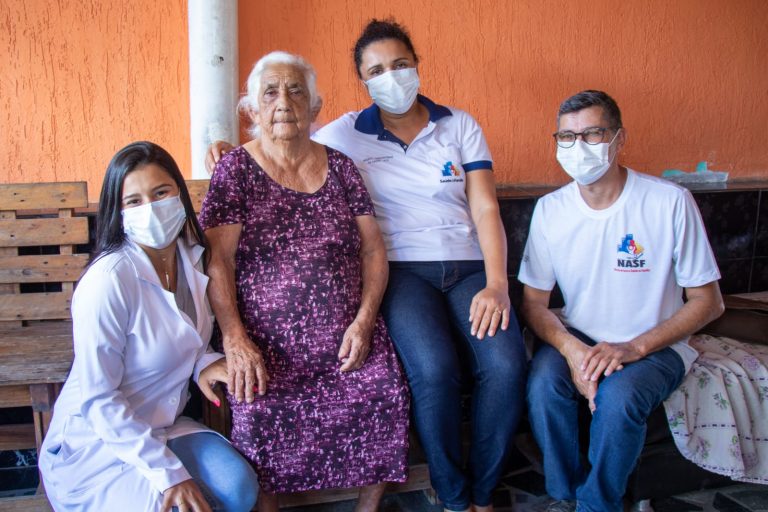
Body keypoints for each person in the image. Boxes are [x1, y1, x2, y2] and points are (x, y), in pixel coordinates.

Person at [207, 19, 527, 512]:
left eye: (400, 65)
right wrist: (224, 149)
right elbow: (277, 139)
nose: (284, 102)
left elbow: (478, 210)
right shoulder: (339, 135)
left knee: (505, 365)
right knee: (433, 369)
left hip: (460, 270)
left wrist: (498, 283)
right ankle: (452, 492)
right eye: (377, 70)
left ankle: (479, 495)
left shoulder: (444, 128)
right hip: (387, 283)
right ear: (363, 81)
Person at [199, 51, 410, 512]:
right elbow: (218, 260)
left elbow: (374, 249)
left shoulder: (341, 168)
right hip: (266, 340)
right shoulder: (235, 170)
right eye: (270, 92)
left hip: (345, 336)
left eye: (296, 90)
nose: (284, 101)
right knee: (257, 406)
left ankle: (367, 506)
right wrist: (235, 338)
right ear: (253, 110)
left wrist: (365, 321)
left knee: (386, 388)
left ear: (315, 108)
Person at [518, 90, 725, 512]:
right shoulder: (550, 210)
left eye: (593, 134)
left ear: (618, 138)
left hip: (655, 344)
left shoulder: (669, 202)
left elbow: (709, 301)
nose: (579, 147)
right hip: (581, 334)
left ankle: (599, 505)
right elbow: (534, 303)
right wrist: (574, 352)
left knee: (619, 398)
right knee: (543, 386)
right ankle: (564, 494)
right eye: (567, 137)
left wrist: (633, 348)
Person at [38, 142, 259, 512]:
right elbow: (99, 399)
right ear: (118, 212)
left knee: (239, 488)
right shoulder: (108, 281)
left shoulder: (192, 257)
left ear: (180, 195)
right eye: (134, 201)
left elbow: (179, 334)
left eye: (161, 193)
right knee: (177, 506)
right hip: (98, 445)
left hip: (164, 425)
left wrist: (205, 362)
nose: (152, 209)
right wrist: (169, 473)